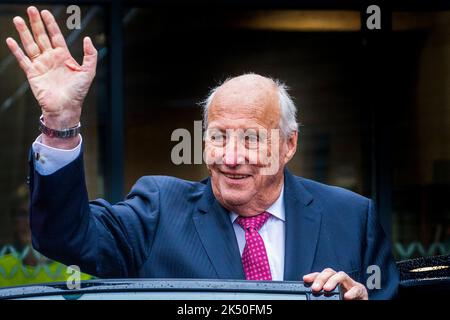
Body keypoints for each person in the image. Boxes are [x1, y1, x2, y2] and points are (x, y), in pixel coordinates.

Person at [6, 6, 399, 300]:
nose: (231, 156)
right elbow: (64, 237)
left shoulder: (351, 218)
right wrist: (61, 121)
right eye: (218, 137)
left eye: (250, 139)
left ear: (288, 145)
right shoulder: (159, 212)